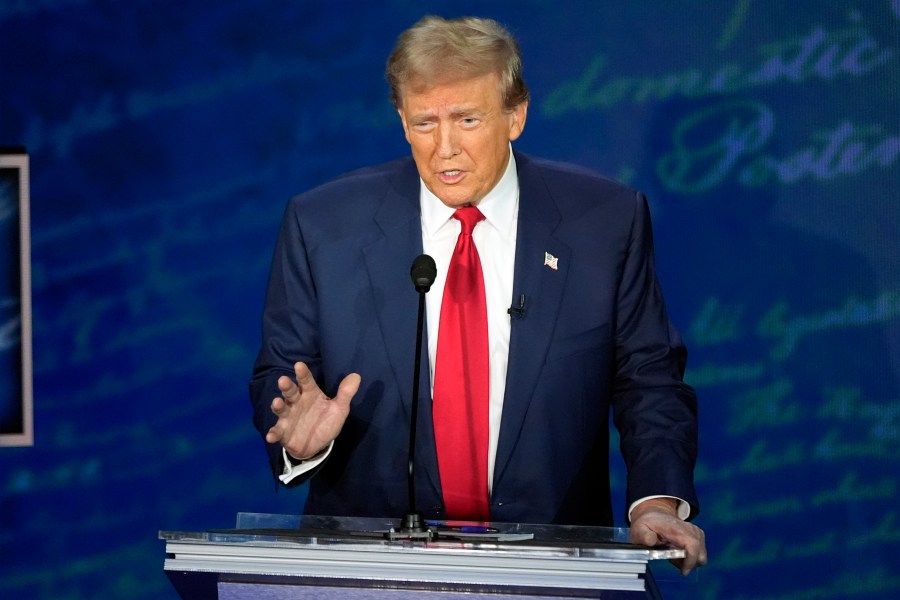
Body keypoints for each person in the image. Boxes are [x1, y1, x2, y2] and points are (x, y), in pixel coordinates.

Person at [250, 15, 707, 574]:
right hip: (372, 573)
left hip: (550, 568)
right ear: (401, 120)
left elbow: (649, 378)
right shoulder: (322, 225)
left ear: (515, 115)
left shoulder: (604, 222)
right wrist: (301, 442)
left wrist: (656, 500)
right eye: (424, 123)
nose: (445, 150)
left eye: (467, 119)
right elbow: (280, 374)